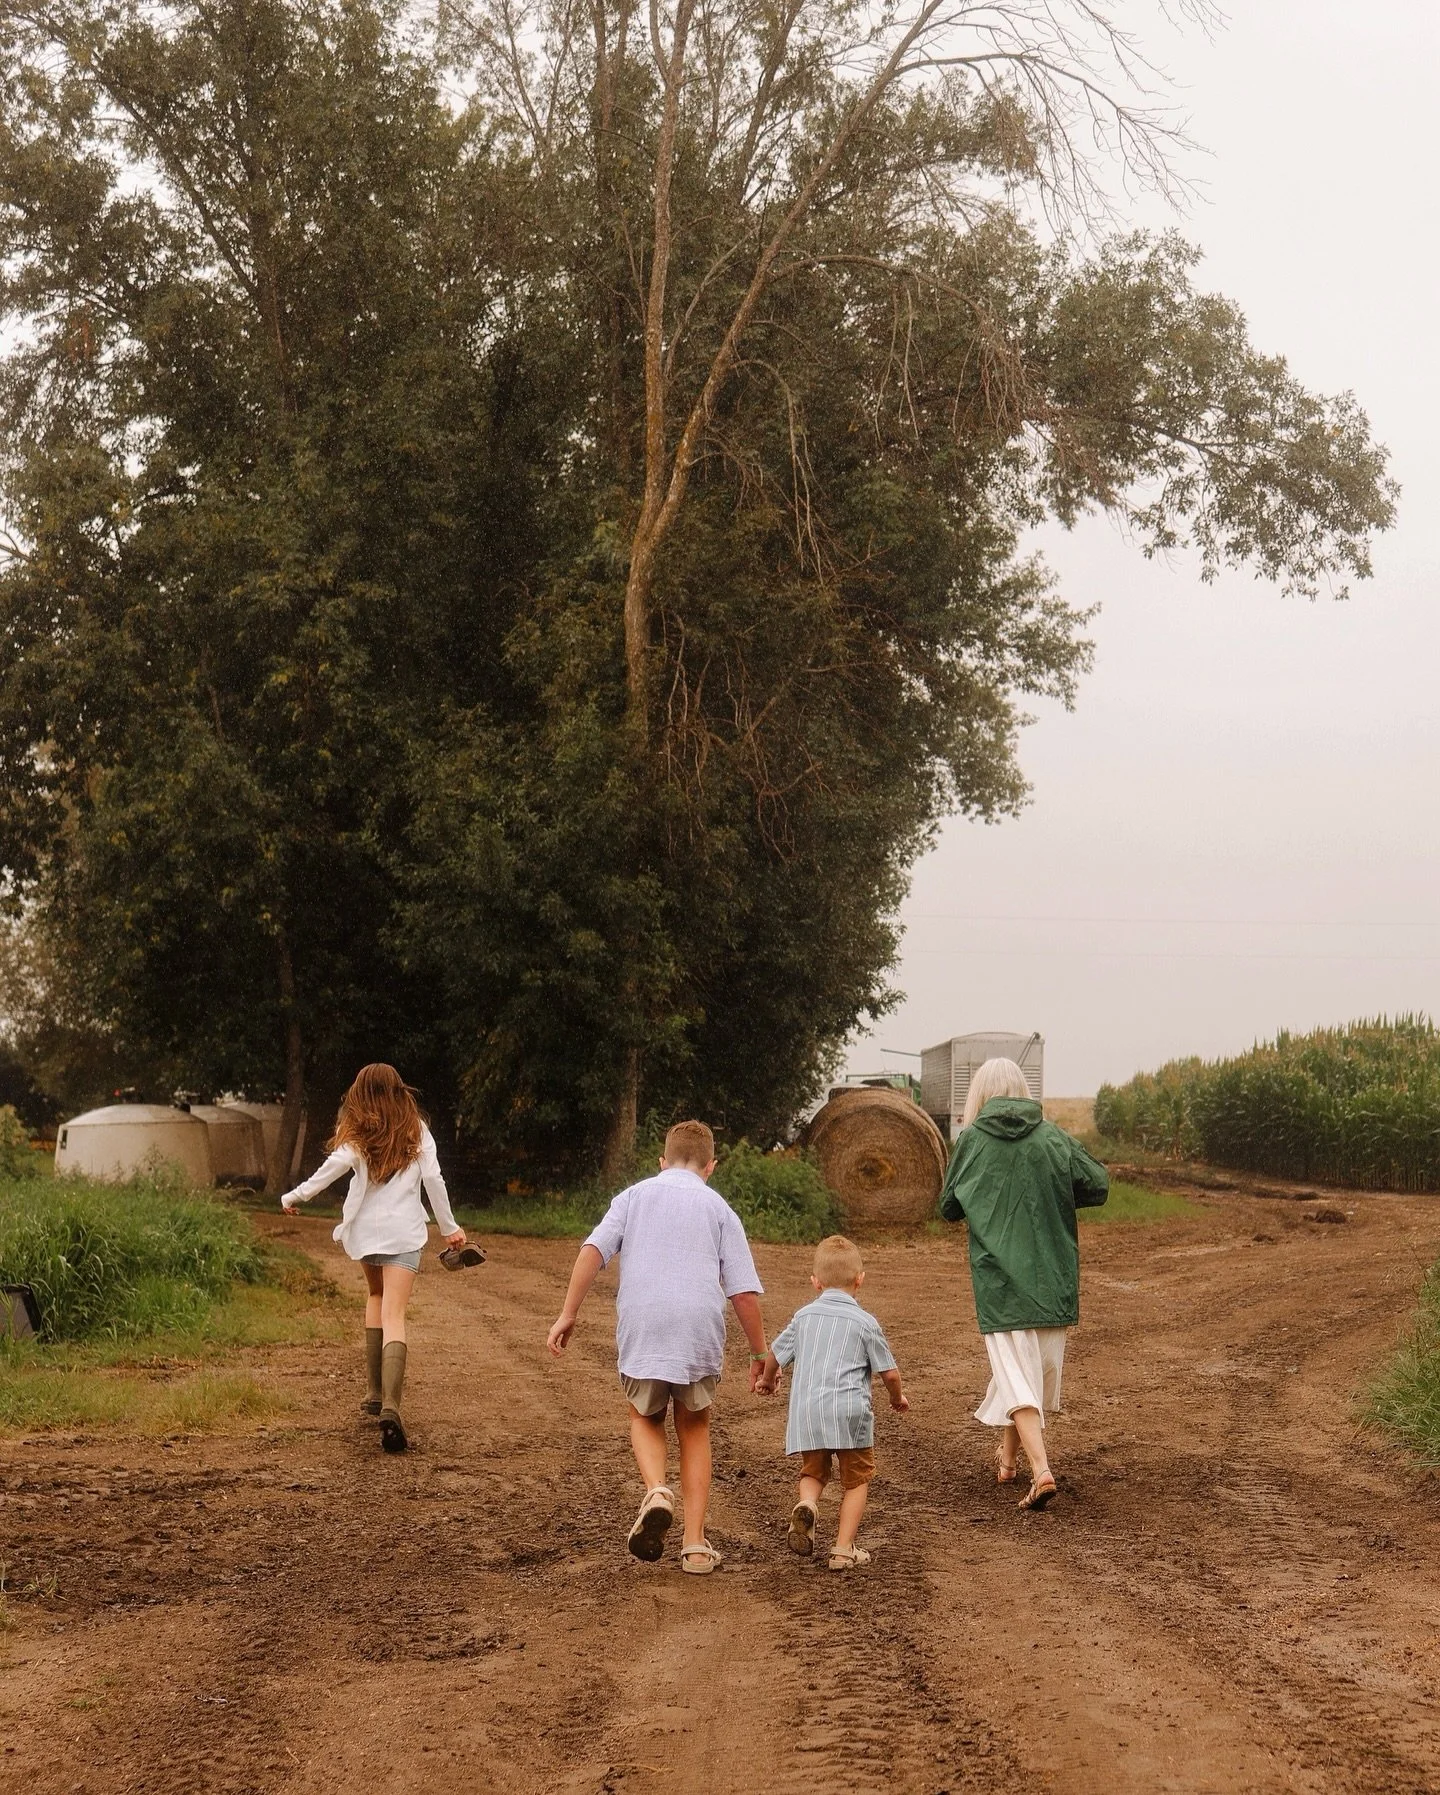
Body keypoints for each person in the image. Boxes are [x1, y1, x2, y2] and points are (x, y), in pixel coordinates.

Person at [546, 1120, 767, 1575]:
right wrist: (760, 1353)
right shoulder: (719, 1208)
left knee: (644, 1417)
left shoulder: (633, 1197)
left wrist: (569, 1312)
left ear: (662, 1161)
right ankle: (695, 1546)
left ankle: (656, 1490)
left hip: (644, 1326)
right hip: (697, 1330)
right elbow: (743, 1292)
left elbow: (592, 1251)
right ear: (711, 1166)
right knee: (694, 1427)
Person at [939, 1058, 1108, 1511]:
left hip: (1001, 1285)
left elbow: (948, 1207)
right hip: (1052, 1281)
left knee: (1017, 1380)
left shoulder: (972, 1141)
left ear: (981, 1095)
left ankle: (1041, 1470)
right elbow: (1098, 1185)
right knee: (1023, 1380)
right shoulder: (1053, 1137)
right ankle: (1009, 1462)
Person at [280, 1063, 466, 1454]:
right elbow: (434, 1179)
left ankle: (373, 1392)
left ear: (361, 1092)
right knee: (395, 1314)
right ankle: (392, 1407)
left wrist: (294, 1196)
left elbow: (331, 1169)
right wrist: (450, 1228)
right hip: (404, 1233)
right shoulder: (415, 1127)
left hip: (365, 1233)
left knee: (376, 1297)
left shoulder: (358, 1129)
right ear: (400, 1090)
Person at [756, 1235, 908, 1572]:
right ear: (859, 1281)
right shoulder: (866, 1322)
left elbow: (774, 1355)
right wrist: (897, 1399)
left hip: (809, 1414)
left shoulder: (803, 1317)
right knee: (856, 1480)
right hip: (850, 1415)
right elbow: (891, 1375)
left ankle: (808, 1503)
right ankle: (842, 1549)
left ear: (816, 1282)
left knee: (813, 1471)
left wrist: (767, 1381)